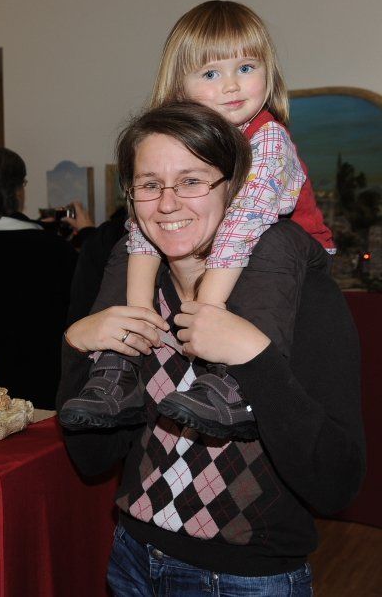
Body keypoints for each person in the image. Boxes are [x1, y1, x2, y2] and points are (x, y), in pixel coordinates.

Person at [58, 103, 364, 595]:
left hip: (246, 579)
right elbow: (92, 459)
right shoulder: (135, 295)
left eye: (192, 181)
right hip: (133, 560)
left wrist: (257, 360)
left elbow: (336, 484)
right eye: (150, 184)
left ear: (234, 189)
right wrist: (76, 346)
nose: (167, 203)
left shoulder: (296, 297)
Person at [60, 1, 334, 438]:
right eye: (210, 74)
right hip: (230, 250)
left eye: (246, 67)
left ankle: (232, 383)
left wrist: (208, 312)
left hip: (292, 251)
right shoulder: (185, 143)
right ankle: (117, 371)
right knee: (132, 239)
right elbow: (144, 231)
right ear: (179, 88)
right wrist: (138, 316)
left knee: (274, 244)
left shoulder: (267, 139)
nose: (232, 85)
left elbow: (243, 225)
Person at [0, 147, 91, 410]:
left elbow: (0, 255)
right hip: (39, 380)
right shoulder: (53, 249)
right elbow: (87, 295)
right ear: (16, 190)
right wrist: (88, 234)